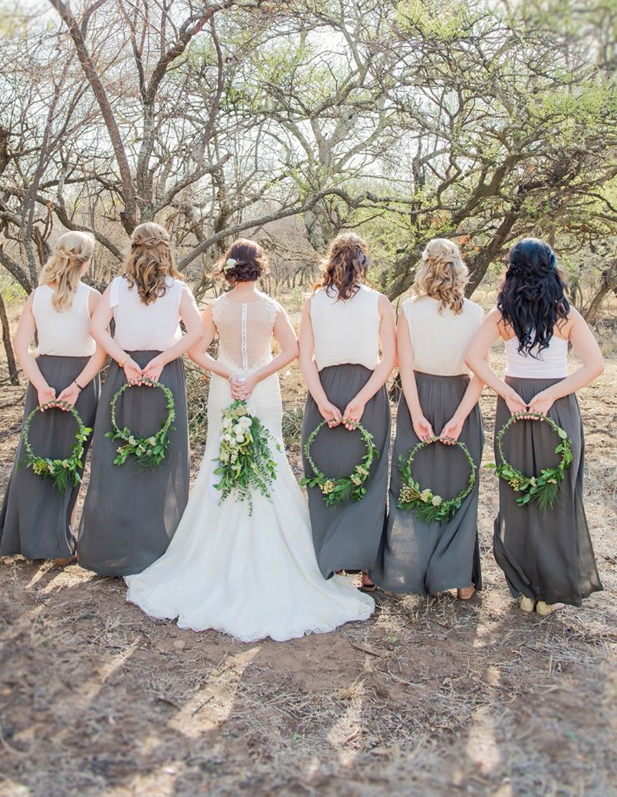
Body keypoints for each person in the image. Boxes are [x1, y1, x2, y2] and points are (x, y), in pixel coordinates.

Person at [126, 238, 374, 641]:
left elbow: (196, 351)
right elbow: (293, 351)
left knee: (219, 460)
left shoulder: (217, 308)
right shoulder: (271, 308)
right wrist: (256, 375)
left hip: (228, 389)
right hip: (260, 390)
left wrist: (229, 374)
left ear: (229, 269)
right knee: (269, 460)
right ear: (260, 268)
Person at [465, 238, 604, 615]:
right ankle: (550, 591)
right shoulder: (565, 312)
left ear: (512, 269)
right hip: (555, 406)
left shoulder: (501, 312)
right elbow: (596, 366)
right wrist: (551, 395)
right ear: (550, 267)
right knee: (555, 493)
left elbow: (472, 357)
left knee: (519, 493)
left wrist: (507, 393)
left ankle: (526, 590)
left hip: (514, 404)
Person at [77, 222, 203, 576]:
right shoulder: (178, 289)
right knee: (162, 459)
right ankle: (156, 551)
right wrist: (162, 359)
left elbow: (96, 328)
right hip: (164, 375)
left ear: (132, 248)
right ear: (166, 249)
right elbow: (197, 331)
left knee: (118, 456)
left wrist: (126, 361)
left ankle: (113, 550)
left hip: (126, 373)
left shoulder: (117, 286)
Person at [372, 238, 485, 599]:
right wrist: (460, 416)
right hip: (460, 398)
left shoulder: (409, 308)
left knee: (412, 482)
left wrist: (416, 413)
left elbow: (403, 365)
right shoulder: (477, 313)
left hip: (418, 396)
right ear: (459, 268)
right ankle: (459, 579)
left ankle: (412, 572)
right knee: (459, 486)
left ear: (425, 267)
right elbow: (479, 372)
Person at [0, 230, 106, 563]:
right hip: (81, 381)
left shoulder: (37, 296)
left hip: (42, 376)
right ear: (85, 261)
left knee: (35, 457)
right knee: (71, 459)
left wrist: (41, 385)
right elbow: (103, 350)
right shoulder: (92, 297)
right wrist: (76, 387)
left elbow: (21, 346)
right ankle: (59, 544)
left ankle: (27, 538)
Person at [298, 233, 396, 589]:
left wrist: (321, 400)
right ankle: (367, 569)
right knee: (369, 477)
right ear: (363, 263)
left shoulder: (312, 302)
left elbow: (304, 356)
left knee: (326, 474)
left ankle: (334, 559)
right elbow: (391, 359)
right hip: (366, 392)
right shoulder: (379, 301)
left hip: (324, 389)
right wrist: (362, 399)